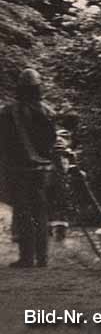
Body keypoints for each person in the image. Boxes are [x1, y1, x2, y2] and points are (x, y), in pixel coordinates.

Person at [0, 69, 60, 268]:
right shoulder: (48, 111)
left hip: (19, 170)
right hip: (42, 170)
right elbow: (53, 142)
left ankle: (27, 258)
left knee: (24, 212)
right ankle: (42, 258)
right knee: (40, 212)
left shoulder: (8, 112)